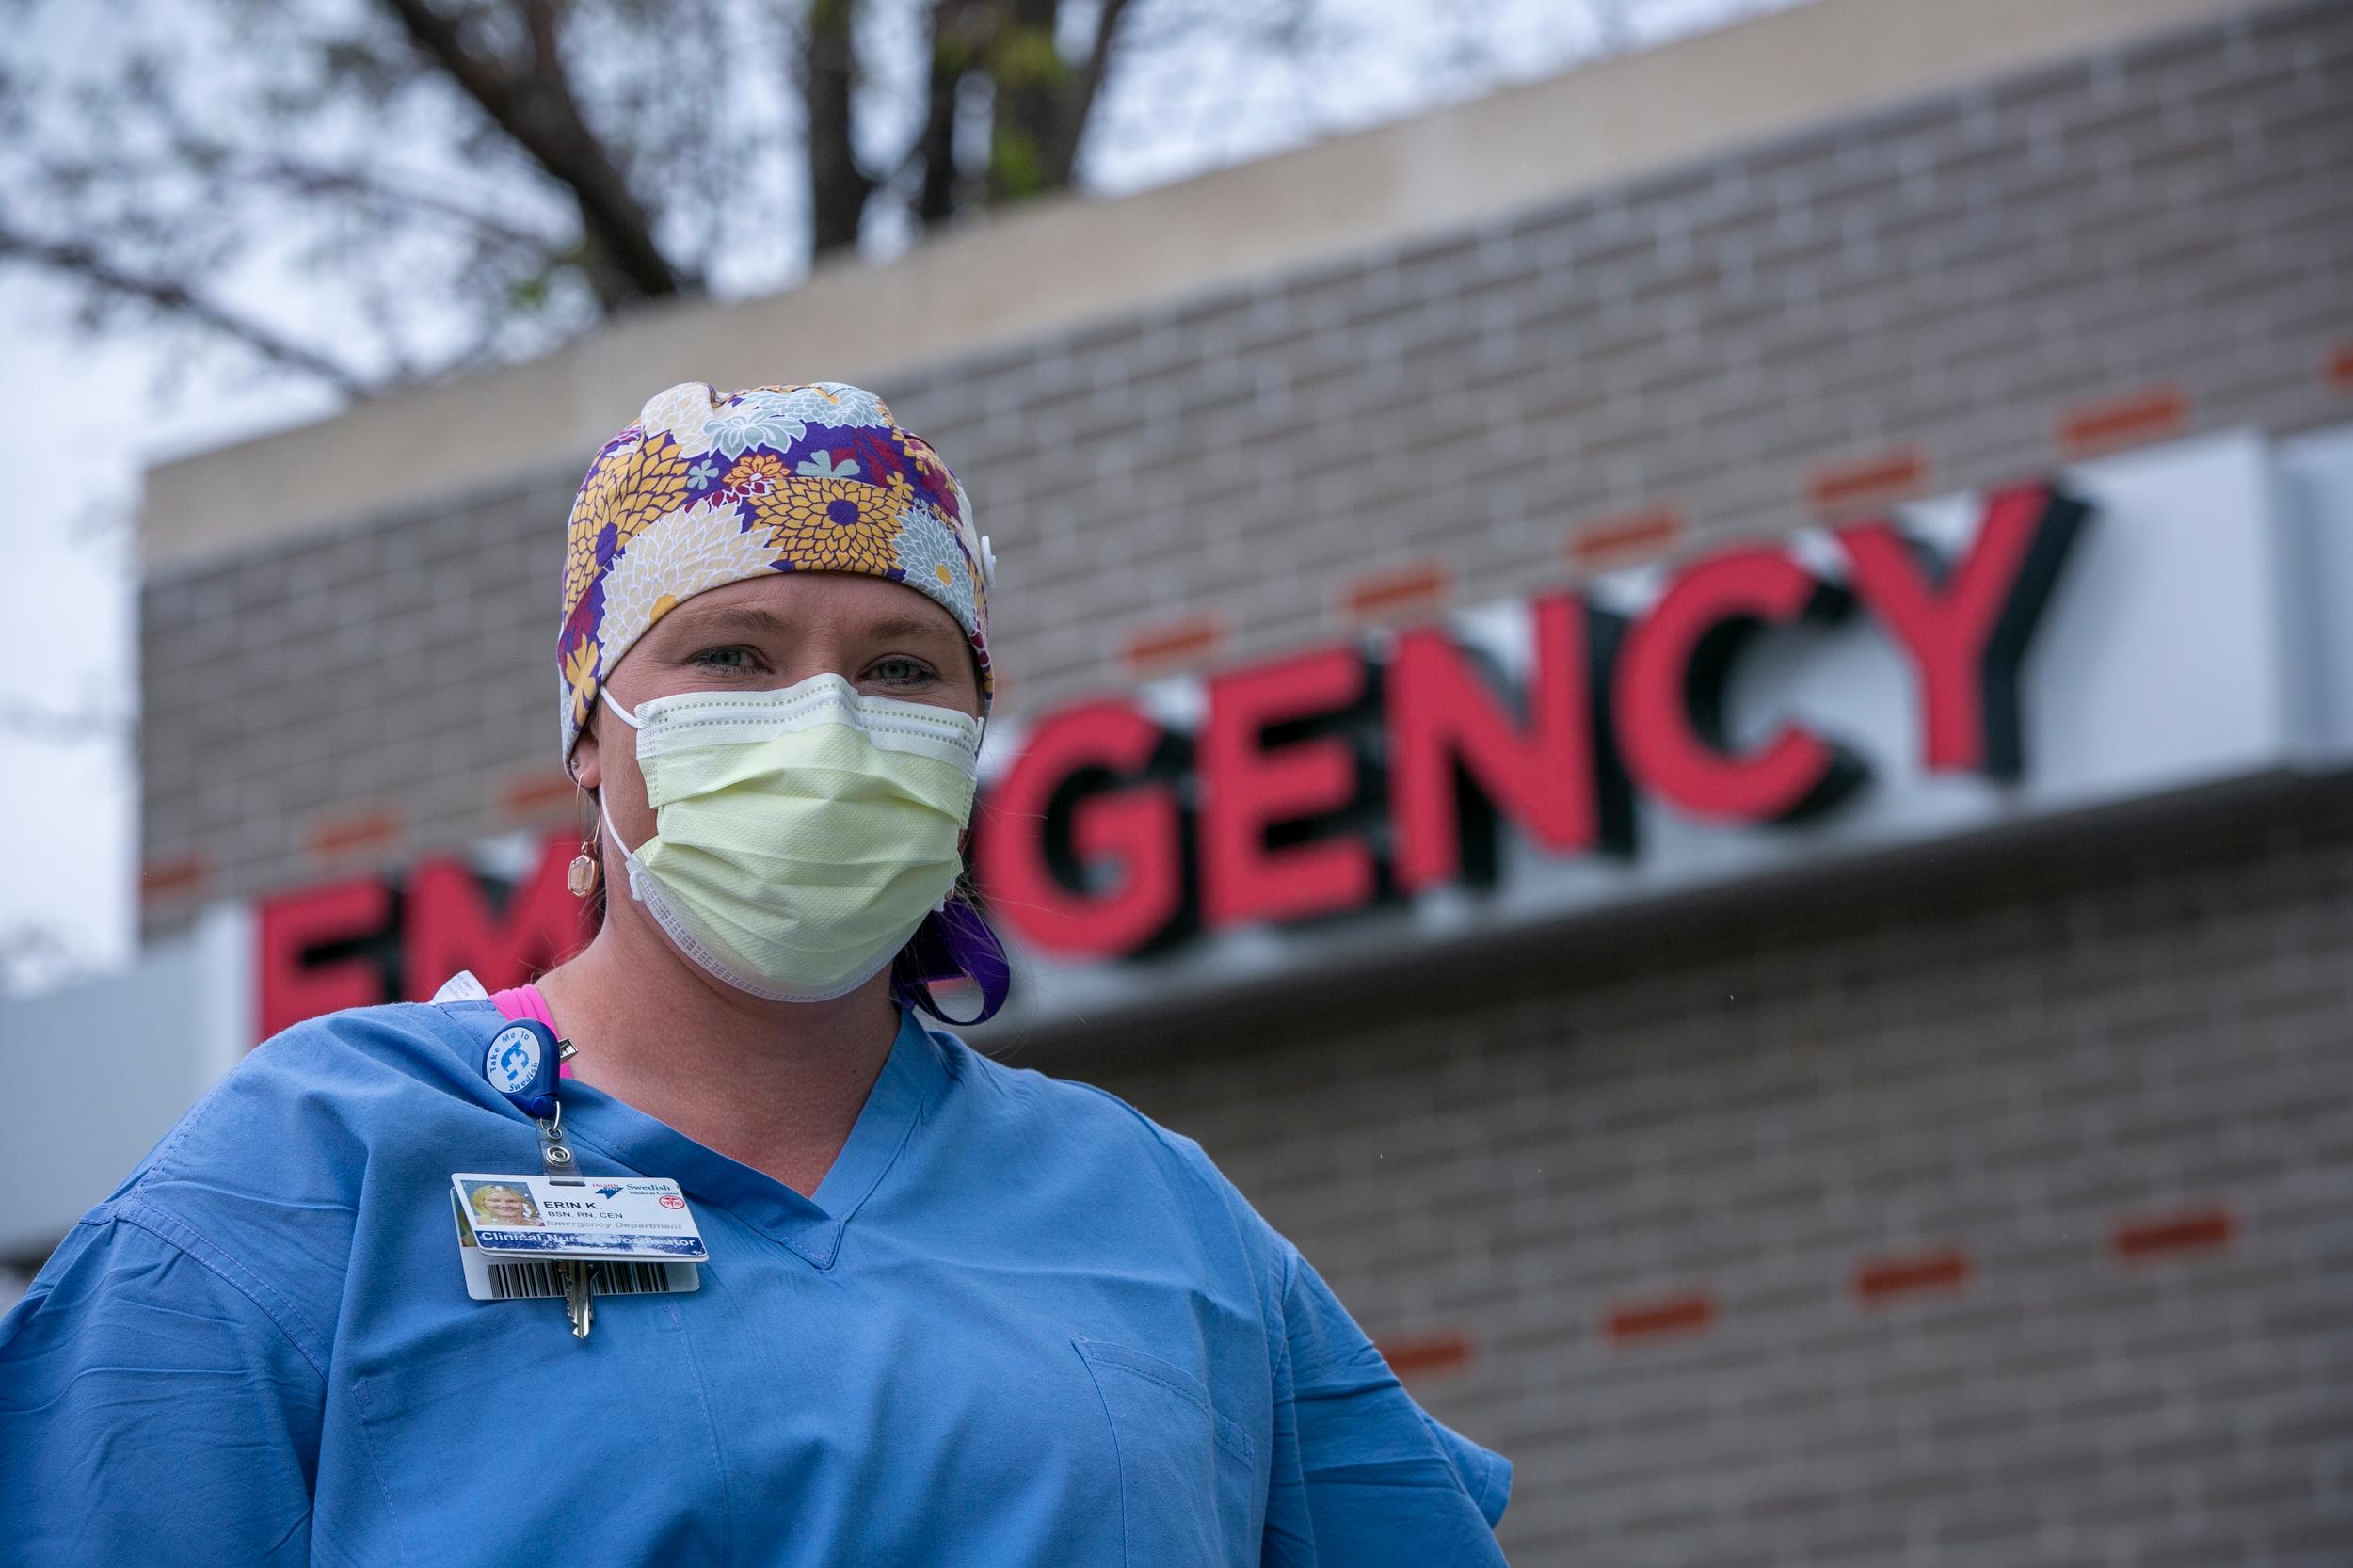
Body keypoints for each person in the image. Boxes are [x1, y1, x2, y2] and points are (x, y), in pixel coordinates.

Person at [0, 382, 1512, 1565]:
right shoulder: (319, 1168)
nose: (830, 723)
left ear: (973, 731)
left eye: (903, 667)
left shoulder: (1160, 1219)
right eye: (734, 653)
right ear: (590, 734)